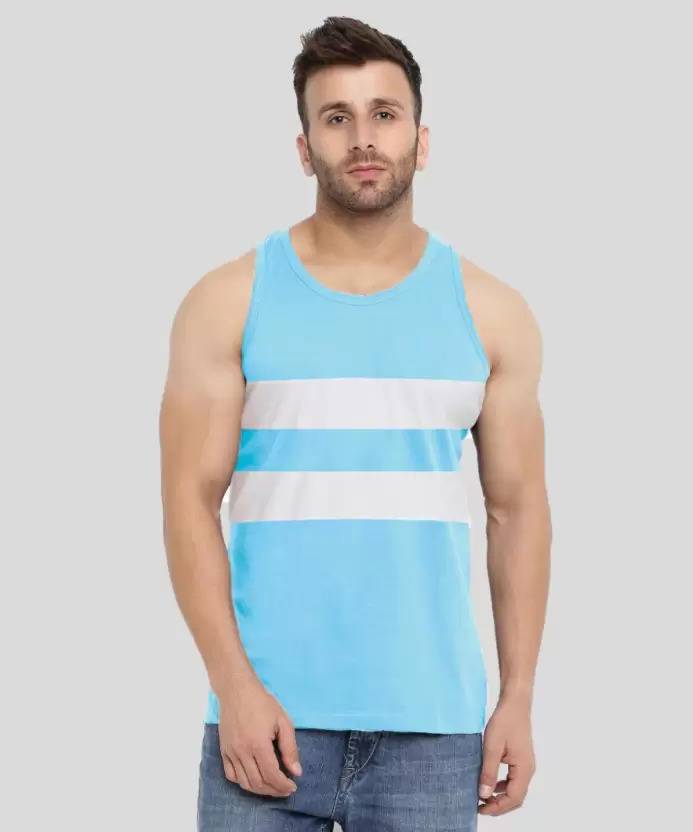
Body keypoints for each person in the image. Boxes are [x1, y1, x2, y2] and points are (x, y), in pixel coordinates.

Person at [159, 15, 551, 831]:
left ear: (421, 139)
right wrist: (233, 686)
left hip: (433, 730)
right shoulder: (227, 301)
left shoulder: (490, 312)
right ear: (304, 148)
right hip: (262, 724)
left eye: (384, 113)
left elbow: (516, 513)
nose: (363, 138)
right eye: (336, 117)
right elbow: (187, 503)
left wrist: (516, 696)